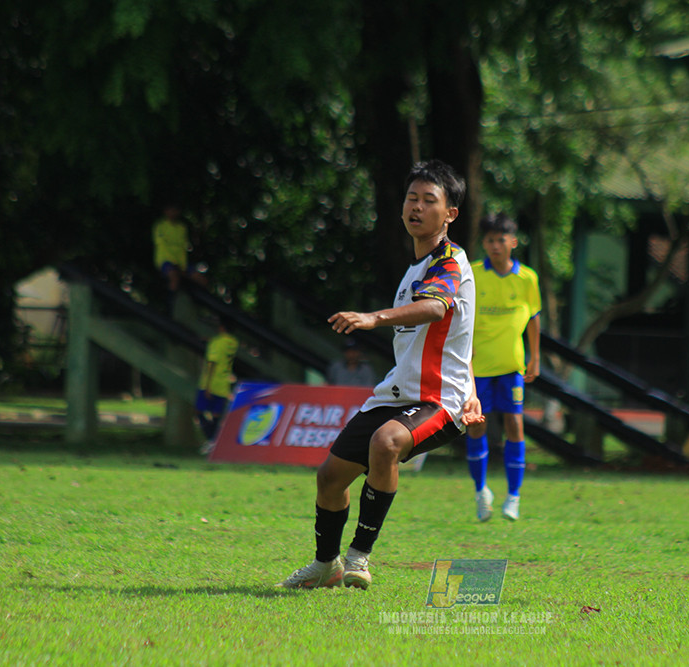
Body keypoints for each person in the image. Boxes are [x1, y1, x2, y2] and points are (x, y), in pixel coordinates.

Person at [277, 159, 483, 591]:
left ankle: (359, 557)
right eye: (412, 198)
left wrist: (374, 318)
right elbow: (460, 335)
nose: (417, 207)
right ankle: (325, 565)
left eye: (430, 201)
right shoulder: (414, 269)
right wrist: (476, 385)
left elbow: (436, 308)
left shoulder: (449, 262)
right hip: (396, 393)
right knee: (329, 479)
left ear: (450, 215)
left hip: (438, 402)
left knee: (385, 443)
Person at [465, 213, 541, 522]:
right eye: (489, 241)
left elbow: (534, 318)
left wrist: (535, 356)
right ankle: (481, 491)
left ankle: (514, 497)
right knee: (476, 425)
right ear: (483, 243)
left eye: (500, 240)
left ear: (513, 242)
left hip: (512, 366)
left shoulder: (527, 278)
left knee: (515, 425)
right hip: (478, 366)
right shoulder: (471, 274)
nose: (495, 246)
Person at [196, 317, 239, 454]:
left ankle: (212, 440)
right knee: (216, 415)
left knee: (198, 412)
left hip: (211, 382)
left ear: (221, 328)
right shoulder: (233, 343)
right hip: (224, 383)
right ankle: (214, 441)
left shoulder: (216, 343)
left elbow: (212, 363)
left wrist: (207, 385)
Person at [152, 204, 206, 293]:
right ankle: (171, 302)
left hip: (181, 263)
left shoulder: (182, 228)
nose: (173, 213)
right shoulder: (160, 226)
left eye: (175, 210)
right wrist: (175, 264)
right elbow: (162, 245)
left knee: (201, 279)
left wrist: (182, 266)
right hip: (166, 261)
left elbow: (182, 247)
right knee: (174, 278)